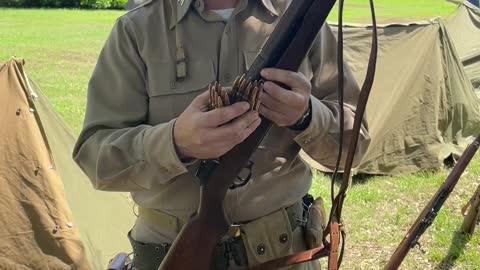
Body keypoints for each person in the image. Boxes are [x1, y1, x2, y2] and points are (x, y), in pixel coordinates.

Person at [73, 0, 370, 269]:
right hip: (170, 254)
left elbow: (355, 146)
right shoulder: (137, 29)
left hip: (284, 256)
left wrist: (307, 116)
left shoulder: (301, 19)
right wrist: (175, 142)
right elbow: (96, 159)